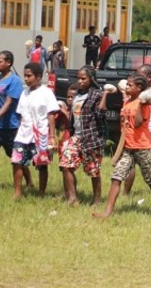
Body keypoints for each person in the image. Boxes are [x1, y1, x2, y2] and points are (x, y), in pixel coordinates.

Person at [94, 73, 151, 218]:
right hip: (128, 148)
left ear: (139, 88)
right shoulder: (127, 102)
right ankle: (107, 212)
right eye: (127, 84)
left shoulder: (143, 103)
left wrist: (141, 104)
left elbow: (138, 123)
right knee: (116, 176)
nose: (126, 87)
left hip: (143, 148)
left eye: (130, 85)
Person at [0, 51, 32, 193]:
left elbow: (9, 103)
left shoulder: (14, 80)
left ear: (8, 63)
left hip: (9, 127)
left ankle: (29, 182)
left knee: (17, 159)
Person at [59, 66, 108, 206]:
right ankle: (73, 198)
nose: (80, 81)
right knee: (66, 164)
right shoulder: (77, 95)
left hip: (91, 138)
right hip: (76, 137)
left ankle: (97, 200)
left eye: (83, 78)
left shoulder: (96, 94)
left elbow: (100, 114)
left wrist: (105, 95)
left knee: (93, 170)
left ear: (91, 79)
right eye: (78, 78)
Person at [11, 63, 59, 199]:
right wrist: (18, 131)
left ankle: (41, 193)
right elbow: (21, 114)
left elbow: (51, 115)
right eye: (25, 76)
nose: (26, 79)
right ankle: (17, 192)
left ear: (38, 76)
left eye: (29, 76)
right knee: (17, 162)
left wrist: (51, 136)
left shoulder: (47, 93)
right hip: (23, 134)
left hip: (41, 135)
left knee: (41, 164)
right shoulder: (24, 93)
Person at [124, 64, 151, 194]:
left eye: (140, 74)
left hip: (148, 133)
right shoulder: (137, 92)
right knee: (130, 164)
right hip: (133, 132)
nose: (136, 76)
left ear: (149, 77)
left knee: (148, 164)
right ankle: (126, 193)